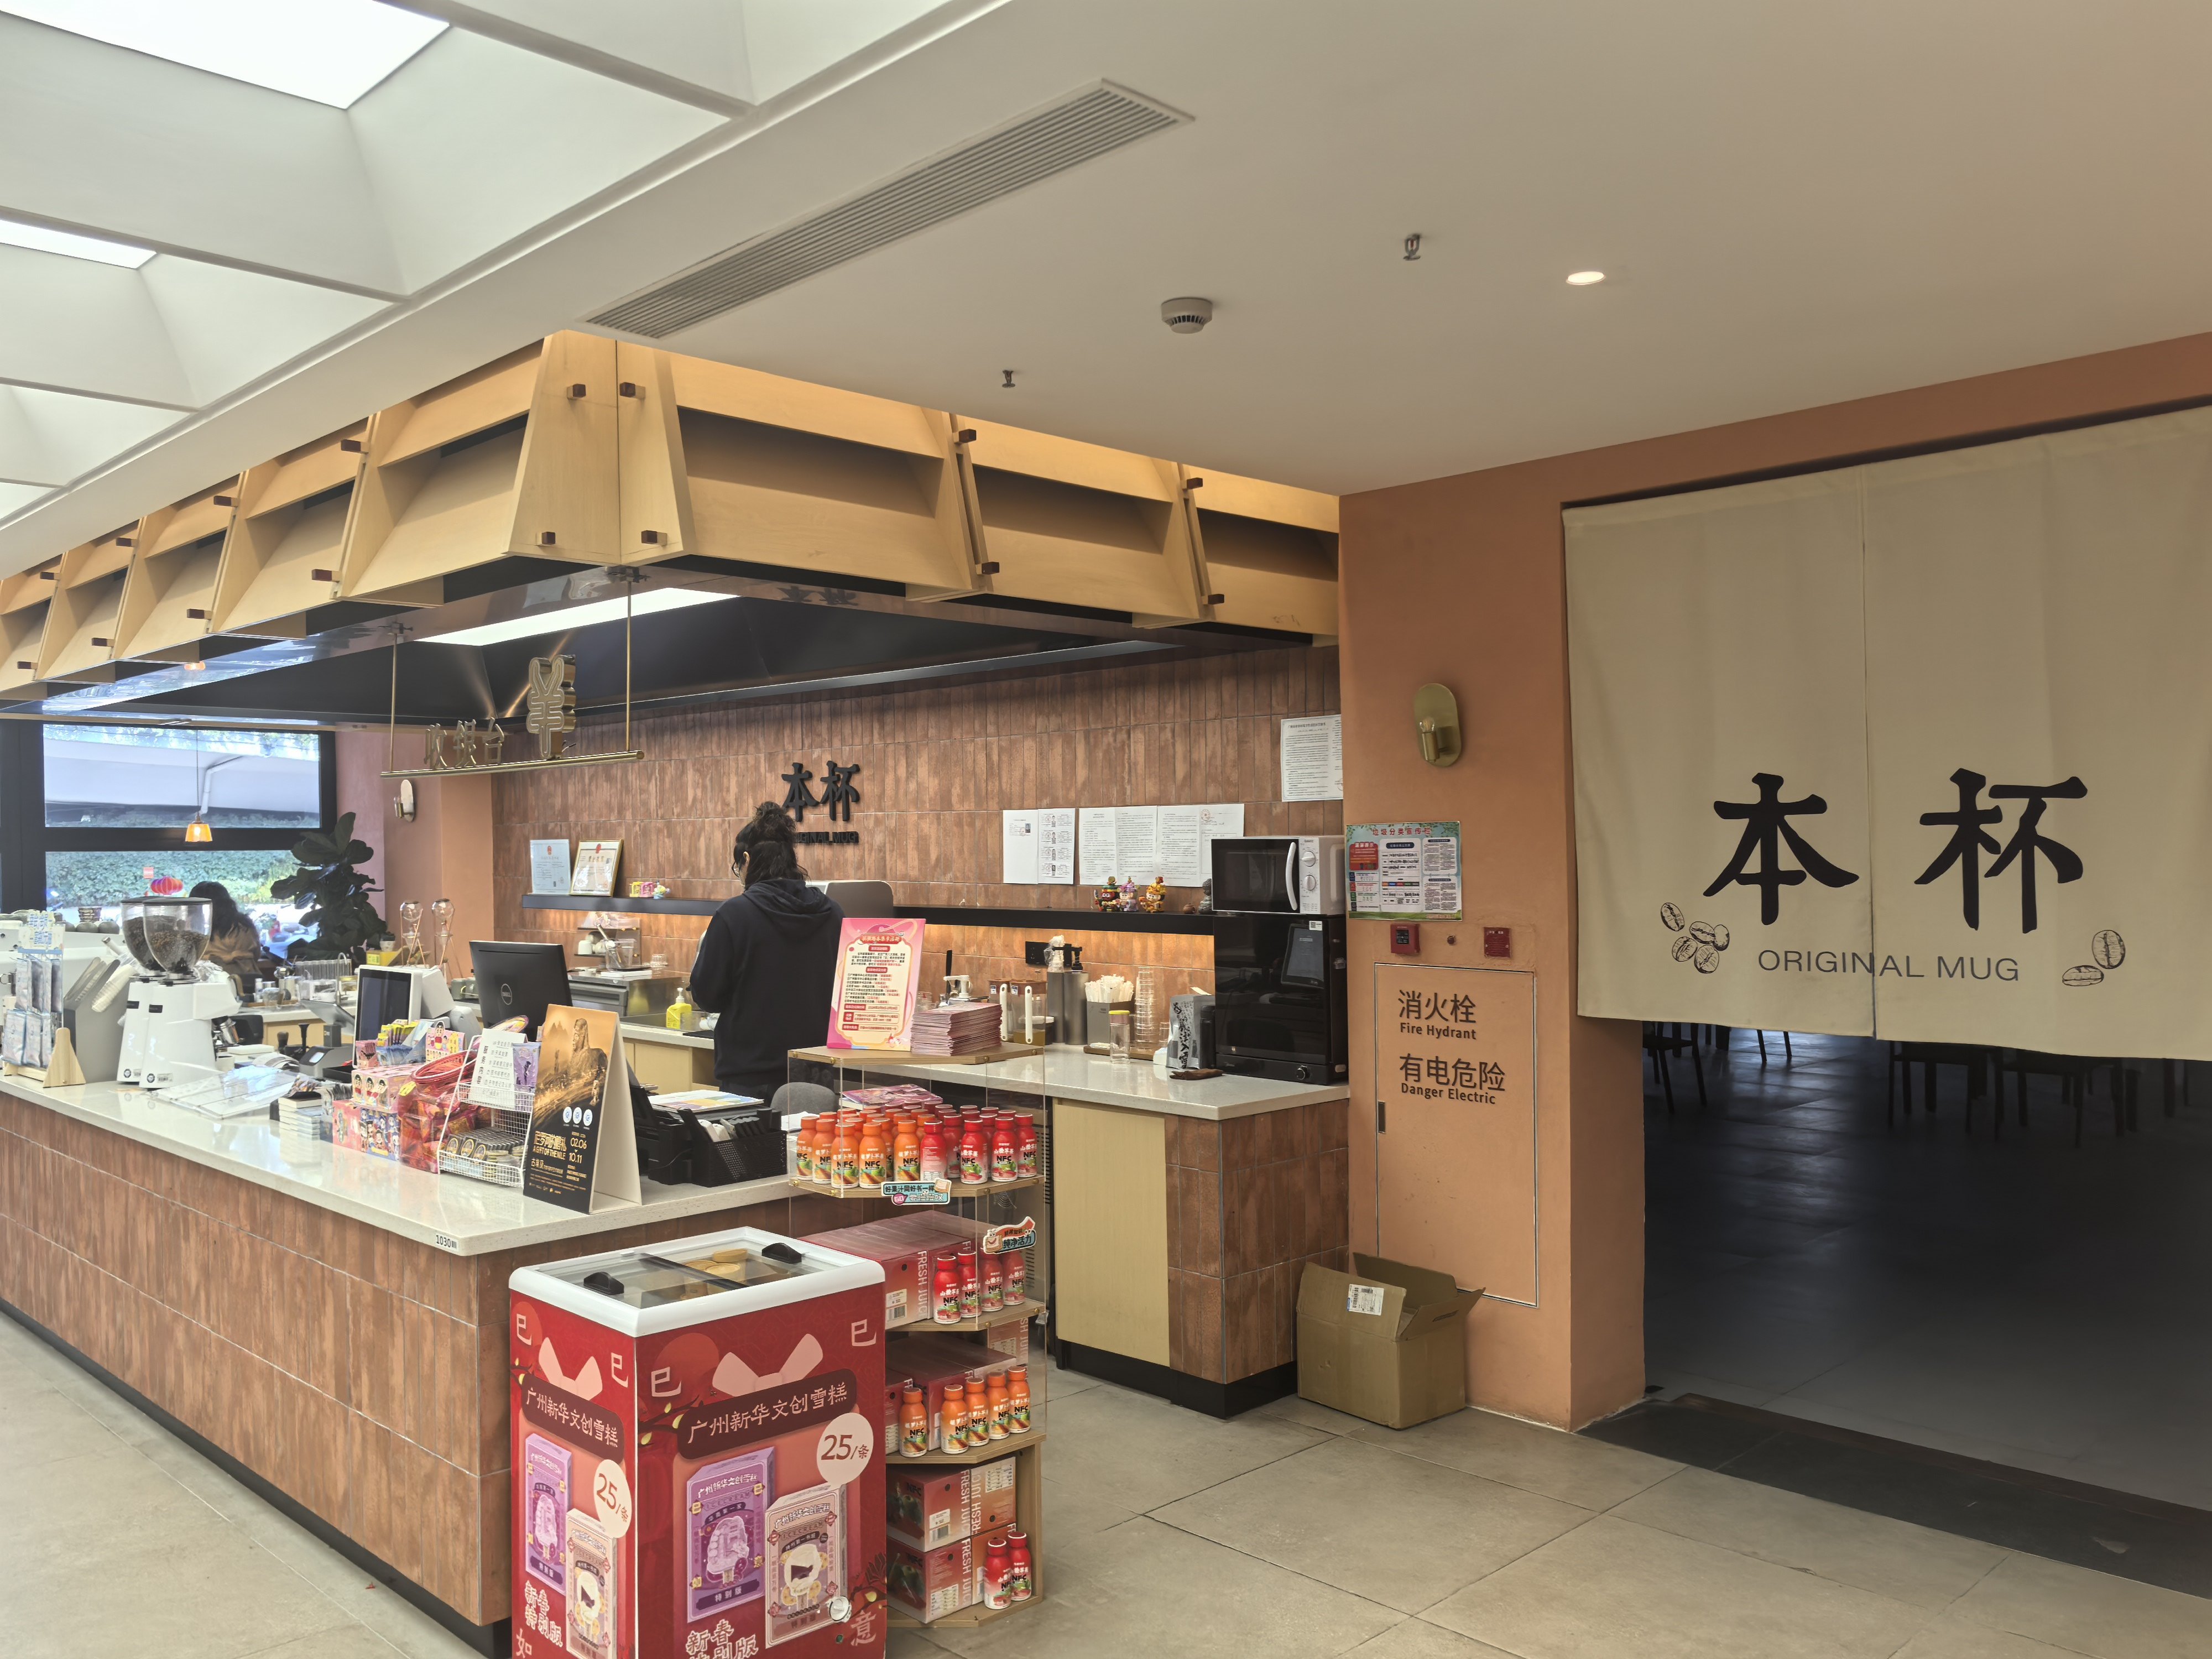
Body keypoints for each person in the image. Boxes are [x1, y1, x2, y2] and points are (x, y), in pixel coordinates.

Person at [688, 802, 844, 1102]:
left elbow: (707, 996)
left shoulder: (734, 915)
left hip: (750, 1076)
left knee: (753, 1137)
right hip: (815, 1072)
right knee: (809, 1134)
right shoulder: (833, 913)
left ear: (746, 860)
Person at [190, 881, 264, 998]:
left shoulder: (197, 928)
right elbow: (256, 954)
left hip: (214, 985)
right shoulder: (245, 924)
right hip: (250, 983)